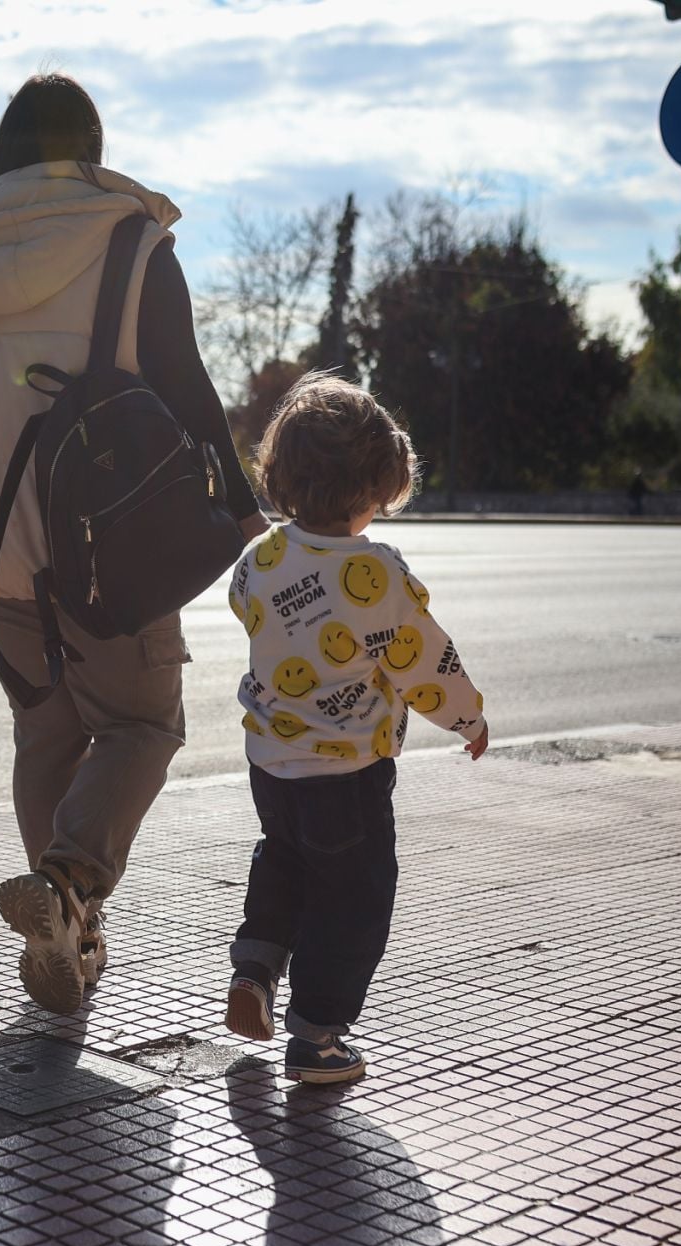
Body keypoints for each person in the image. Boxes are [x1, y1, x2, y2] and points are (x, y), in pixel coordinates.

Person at [0, 74, 270, 1015]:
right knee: (141, 726)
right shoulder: (130, 245)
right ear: (88, 151)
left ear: (1, 157)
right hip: (111, 546)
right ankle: (69, 884)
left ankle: (69, 931)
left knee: (46, 733)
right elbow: (187, 388)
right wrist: (242, 511)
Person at [221, 373, 489, 1085]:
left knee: (284, 858)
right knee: (354, 897)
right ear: (375, 485)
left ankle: (255, 961)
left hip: (270, 761)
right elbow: (423, 661)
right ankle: (318, 1037)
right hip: (348, 775)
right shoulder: (377, 571)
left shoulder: (264, 558)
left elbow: (246, 609)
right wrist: (468, 716)